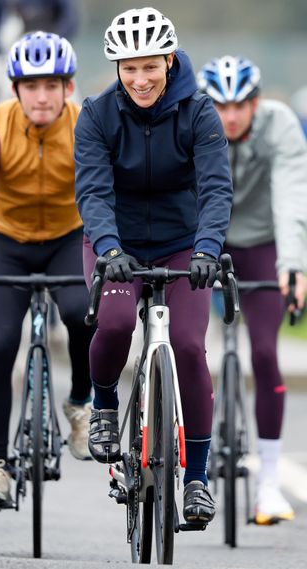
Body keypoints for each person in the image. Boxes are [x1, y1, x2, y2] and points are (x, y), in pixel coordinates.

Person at [74, 7, 233, 526]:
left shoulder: (200, 111)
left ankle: (197, 481)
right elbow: (93, 191)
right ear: (117, 69)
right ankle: (102, 407)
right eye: (128, 69)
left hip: (182, 244)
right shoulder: (97, 114)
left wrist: (208, 248)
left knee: (188, 346)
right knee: (116, 323)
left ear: (169, 59)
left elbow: (214, 188)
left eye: (149, 67)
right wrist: (110, 248)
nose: (140, 80)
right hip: (114, 244)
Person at [198, 55, 307, 525]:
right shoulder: (192, 124)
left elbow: (290, 193)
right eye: (220, 105)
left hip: (262, 241)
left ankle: (266, 487)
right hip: (205, 238)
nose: (230, 116)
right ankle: (191, 471)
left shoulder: (279, 125)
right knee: (189, 348)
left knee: (264, 352)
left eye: (240, 105)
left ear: (257, 103)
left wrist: (293, 266)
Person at [0, 30, 94, 509]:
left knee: (80, 310)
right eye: (32, 87)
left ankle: (80, 404)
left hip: (67, 238)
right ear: (16, 90)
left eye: (53, 85)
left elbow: (98, 193)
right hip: (6, 239)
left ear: (68, 88)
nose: (43, 96)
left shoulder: (86, 125)